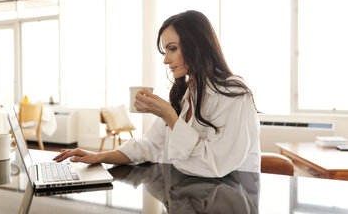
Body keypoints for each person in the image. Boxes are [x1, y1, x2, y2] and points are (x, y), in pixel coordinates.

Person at [54, 10, 261, 177]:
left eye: (172, 49)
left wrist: (169, 115)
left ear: (195, 46)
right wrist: (99, 157)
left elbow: (214, 165)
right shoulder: (188, 93)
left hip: (230, 199)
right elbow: (149, 145)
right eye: (165, 51)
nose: (165, 60)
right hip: (193, 194)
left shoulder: (233, 93)